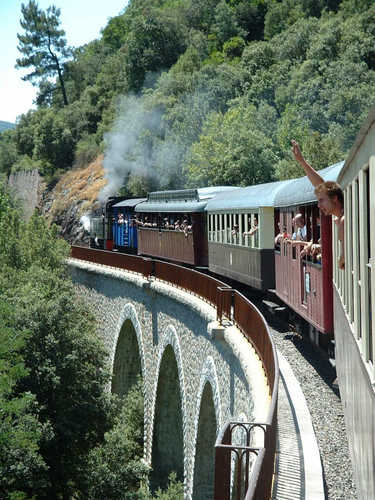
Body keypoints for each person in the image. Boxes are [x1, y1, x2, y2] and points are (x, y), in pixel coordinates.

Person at [291, 140, 345, 269]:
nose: (319, 206)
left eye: (321, 200)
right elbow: (320, 184)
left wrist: (342, 258)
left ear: (335, 198)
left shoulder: (344, 220)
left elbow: (343, 263)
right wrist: (301, 161)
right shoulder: (338, 217)